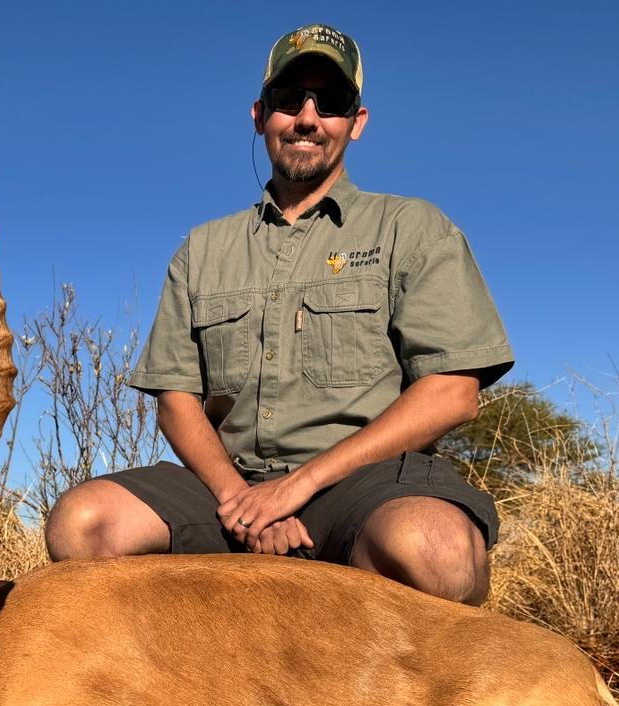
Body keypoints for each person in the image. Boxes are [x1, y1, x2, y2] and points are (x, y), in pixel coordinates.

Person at [44, 24, 514, 605]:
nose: (308, 118)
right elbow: (176, 401)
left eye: (331, 103)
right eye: (289, 101)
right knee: (81, 523)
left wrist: (296, 489)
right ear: (261, 115)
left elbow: (452, 392)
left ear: (356, 121)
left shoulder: (410, 228)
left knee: (437, 551)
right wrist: (243, 501)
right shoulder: (203, 248)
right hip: (227, 487)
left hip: (365, 484)